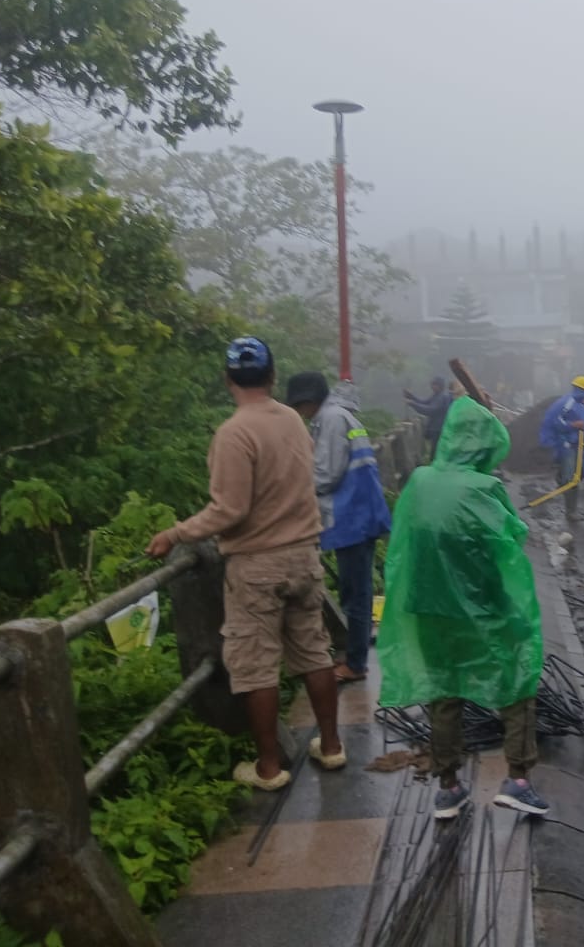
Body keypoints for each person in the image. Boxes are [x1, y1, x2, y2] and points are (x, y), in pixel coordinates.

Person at [146, 337, 343, 790]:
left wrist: (174, 533)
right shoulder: (293, 419)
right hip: (303, 555)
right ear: (273, 377)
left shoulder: (234, 433)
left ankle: (269, 768)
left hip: (257, 564)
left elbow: (229, 511)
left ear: (228, 379)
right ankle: (331, 746)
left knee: (255, 666)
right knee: (314, 651)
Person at [375, 396, 550, 822]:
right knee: (516, 681)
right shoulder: (484, 488)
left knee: (443, 691)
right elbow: (511, 538)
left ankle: (449, 788)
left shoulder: (418, 481)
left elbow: (404, 545)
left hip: (428, 606)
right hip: (482, 605)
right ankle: (518, 781)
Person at [286, 372, 393, 684]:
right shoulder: (341, 415)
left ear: (307, 400)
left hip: (352, 517)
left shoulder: (331, 419)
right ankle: (354, 654)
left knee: (354, 593)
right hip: (360, 513)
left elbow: (326, 473)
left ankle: (356, 664)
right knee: (355, 590)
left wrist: (294, 491)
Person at [539, 376, 584, 523]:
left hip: (578, 444)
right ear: (583, 390)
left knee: (580, 474)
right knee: (571, 479)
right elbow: (556, 421)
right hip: (568, 445)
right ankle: (571, 512)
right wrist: (573, 425)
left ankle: (570, 502)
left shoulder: (578, 403)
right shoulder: (569, 402)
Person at [403, 377, 453, 457]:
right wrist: (411, 397)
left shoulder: (442, 397)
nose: (432, 387)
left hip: (439, 429)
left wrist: (413, 404)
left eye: (434, 385)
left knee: (435, 451)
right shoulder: (436, 395)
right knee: (434, 450)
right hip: (435, 428)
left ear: (439, 386)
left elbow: (430, 410)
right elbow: (425, 403)